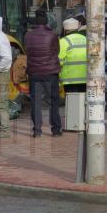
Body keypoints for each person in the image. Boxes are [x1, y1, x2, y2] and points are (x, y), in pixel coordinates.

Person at [25, 10, 62, 138]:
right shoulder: (52, 35)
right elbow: (57, 51)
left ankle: (37, 130)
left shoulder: (27, 36)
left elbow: (27, 51)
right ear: (46, 22)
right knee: (53, 101)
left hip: (34, 72)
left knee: (36, 102)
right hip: (50, 72)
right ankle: (56, 130)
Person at [59, 18, 87, 93]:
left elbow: (59, 61)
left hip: (69, 80)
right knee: (83, 101)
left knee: (72, 102)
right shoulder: (86, 39)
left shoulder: (63, 41)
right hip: (86, 78)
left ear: (65, 30)